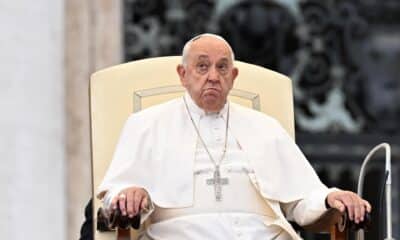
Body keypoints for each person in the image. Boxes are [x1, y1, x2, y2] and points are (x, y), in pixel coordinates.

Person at [97, 33, 371, 240]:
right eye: (202, 67)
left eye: (222, 67)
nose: (213, 76)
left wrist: (333, 198)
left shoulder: (265, 127)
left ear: (234, 75)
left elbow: (302, 199)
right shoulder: (146, 124)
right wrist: (129, 194)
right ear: (183, 74)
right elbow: (112, 198)